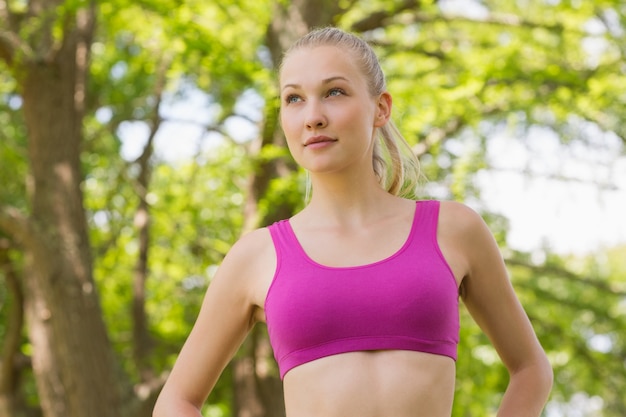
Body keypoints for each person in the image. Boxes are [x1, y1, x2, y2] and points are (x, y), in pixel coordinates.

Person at [153, 27, 553, 417]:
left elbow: (531, 369)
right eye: (293, 99)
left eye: (334, 92)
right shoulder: (257, 255)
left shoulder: (455, 229)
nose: (313, 117)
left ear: (381, 108)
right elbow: (175, 402)